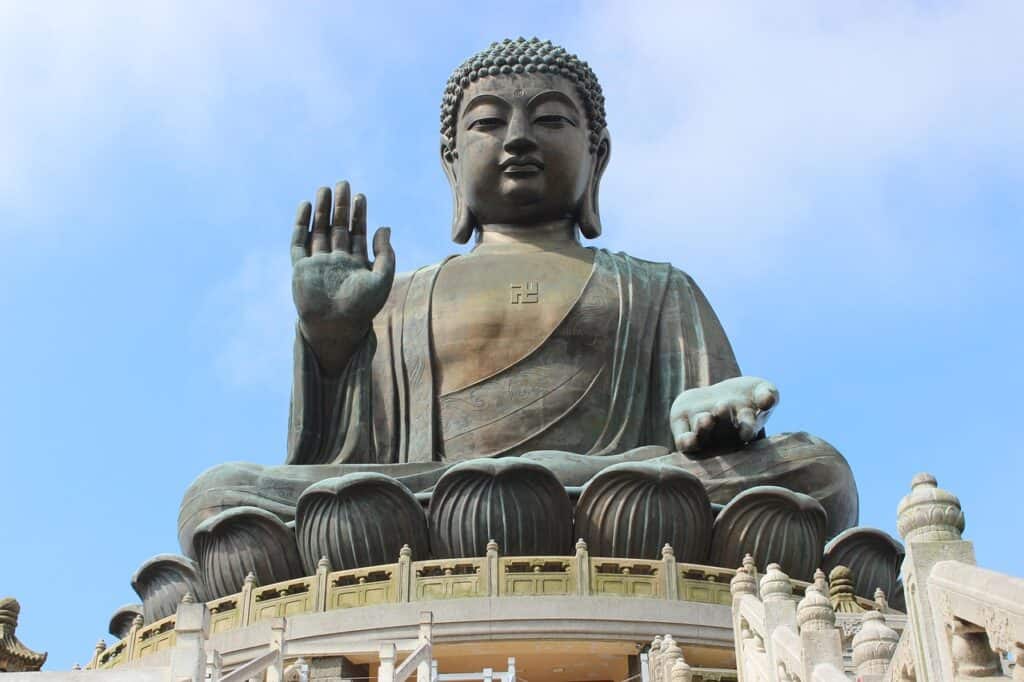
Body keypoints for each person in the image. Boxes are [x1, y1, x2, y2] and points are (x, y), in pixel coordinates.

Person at [178, 38, 857, 566]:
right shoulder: (401, 296)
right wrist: (332, 346)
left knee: (816, 471)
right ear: (452, 164)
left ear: (598, 156)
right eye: (489, 124)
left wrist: (708, 416)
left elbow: (710, 435)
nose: (519, 139)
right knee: (216, 500)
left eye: (551, 119)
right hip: (428, 503)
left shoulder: (655, 288)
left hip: (616, 498)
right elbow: (340, 463)